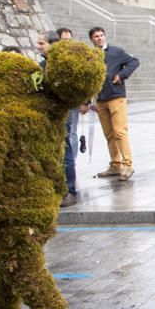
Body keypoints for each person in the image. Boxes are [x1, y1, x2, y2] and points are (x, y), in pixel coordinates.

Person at [38, 31, 85, 207]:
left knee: (65, 153)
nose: (39, 46)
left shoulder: (64, 64)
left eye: (42, 43)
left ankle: (70, 191)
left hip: (63, 112)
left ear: (52, 44)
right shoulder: (43, 65)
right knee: (51, 154)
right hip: (48, 114)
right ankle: (55, 189)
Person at [89, 26, 140, 181]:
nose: (99, 38)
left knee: (120, 131)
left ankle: (128, 164)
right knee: (109, 135)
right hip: (101, 99)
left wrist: (122, 75)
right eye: (96, 36)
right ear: (92, 39)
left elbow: (134, 61)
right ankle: (115, 164)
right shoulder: (91, 55)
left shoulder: (116, 51)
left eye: (101, 35)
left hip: (116, 96)